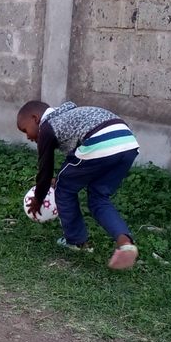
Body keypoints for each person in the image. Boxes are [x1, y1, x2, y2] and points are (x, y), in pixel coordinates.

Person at [16, 100, 140, 271]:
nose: (28, 137)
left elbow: (45, 170)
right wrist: (60, 178)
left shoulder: (47, 128)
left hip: (100, 140)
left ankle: (76, 242)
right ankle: (125, 243)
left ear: (35, 118)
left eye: (25, 130)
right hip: (127, 143)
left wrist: (38, 199)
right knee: (99, 198)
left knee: (64, 189)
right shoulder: (67, 116)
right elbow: (78, 163)